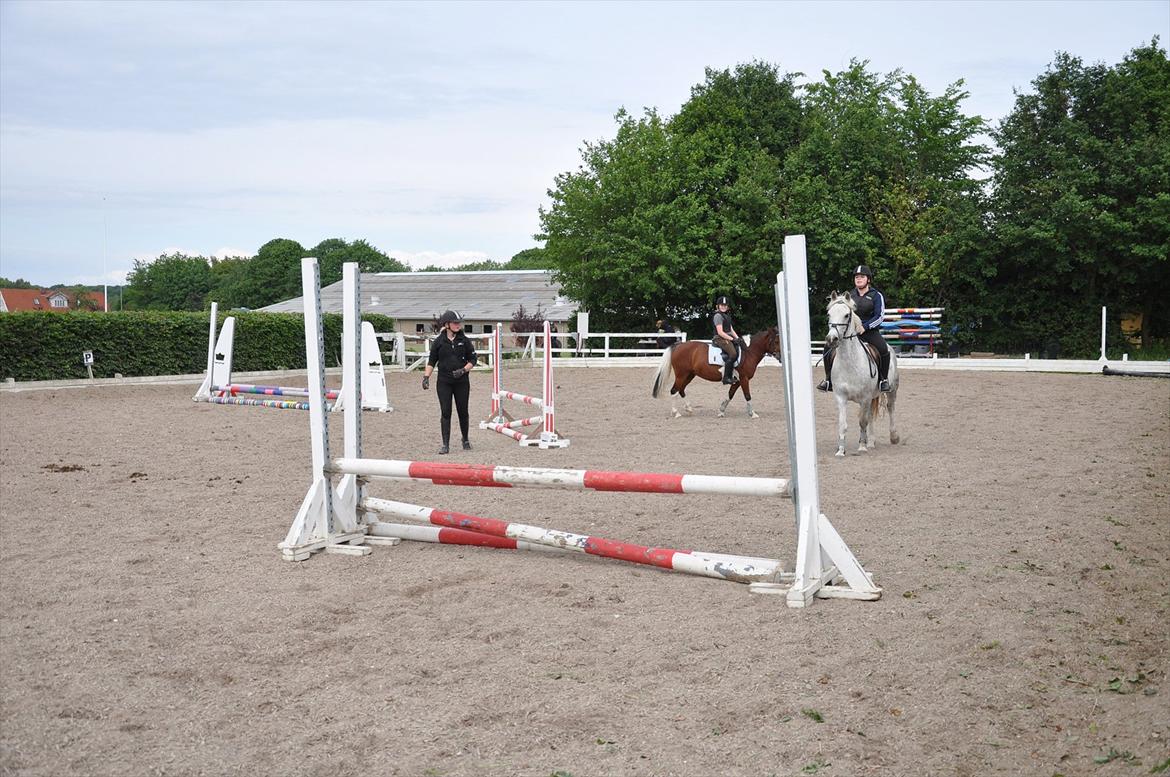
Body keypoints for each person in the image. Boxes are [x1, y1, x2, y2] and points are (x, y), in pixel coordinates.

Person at [817, 265, 892, 393]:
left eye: (862, 277)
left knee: (883, 349)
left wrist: (865, 327)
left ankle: (883, 380)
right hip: (849, 332)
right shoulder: (849, 295)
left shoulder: (876, 295)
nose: (859, 279)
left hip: (869, 332)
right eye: (857, 277)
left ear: (868, 279)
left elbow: (879, 316)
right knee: (828, 347)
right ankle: (828, 380)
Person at [423, 310, 478, 454]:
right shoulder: (439, 342)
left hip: (462, 382)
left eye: (459, 323)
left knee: (463, 411)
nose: (458, 325)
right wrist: (426, 377)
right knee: (446, 412)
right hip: (444, 382)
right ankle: (445, 444)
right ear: (447, 324)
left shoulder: (464, 341)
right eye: (455, 323)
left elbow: (473, 359)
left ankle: (465, 439)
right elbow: (432, 361)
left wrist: (463, 370)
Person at [711, 295, 742, 385]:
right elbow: (720, 332)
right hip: (719, 338)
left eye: (725, 305)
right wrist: (732, 339)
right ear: (718, 306)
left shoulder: (726, 316)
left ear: (727, 306)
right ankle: (726, 377)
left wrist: (737, 338)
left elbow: (731, 330)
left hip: (727, 337)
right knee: (733, 354)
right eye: (722, 305)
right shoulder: (718, 316)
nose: (723, 307)